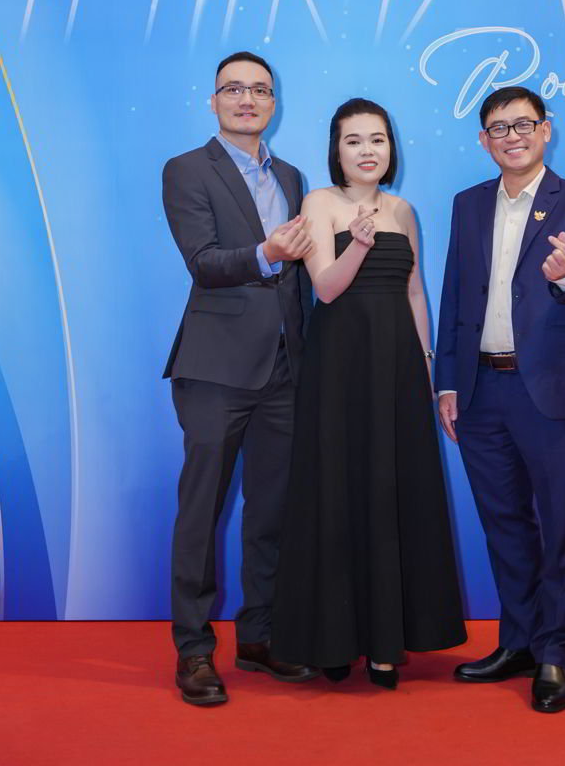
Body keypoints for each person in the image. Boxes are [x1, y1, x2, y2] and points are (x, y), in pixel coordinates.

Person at [435, 86, 565, 713]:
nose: (511, 136)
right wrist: (448, 382)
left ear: (545, 129)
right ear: (483, 140)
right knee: (505, 526)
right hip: (480, 391)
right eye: (498, 128)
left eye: (523, 125)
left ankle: (555, 654)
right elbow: (454, 297)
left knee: (563, 525)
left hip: (551, 392)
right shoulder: (467, 205)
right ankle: (517, 641)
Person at [272, 98, 466, 688]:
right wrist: (357, 243)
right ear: (337, 149)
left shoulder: (403, 210)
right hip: (339, 369)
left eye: (377, 139)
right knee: (337, 491)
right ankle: (335, 638)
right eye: (353, 140)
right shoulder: (319, 203)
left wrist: (427, 367)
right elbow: (326, 290)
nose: (367, 150)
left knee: (392, 491)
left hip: (399, 368)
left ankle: (387, 644)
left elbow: (414, 293)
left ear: (390, 147)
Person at [162, 51, 318, 706]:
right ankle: (194, 649)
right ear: (214, 100)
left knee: (272, 510)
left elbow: (306, 280)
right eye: (234, 89)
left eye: (259, 89)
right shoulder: (186, 169)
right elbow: (203, 262)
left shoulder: (293, 176)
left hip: (285, 368)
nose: (247, 99)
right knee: (202, 510)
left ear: (274, 103)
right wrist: (267, 253)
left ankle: (259, 635)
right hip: (215, 368)